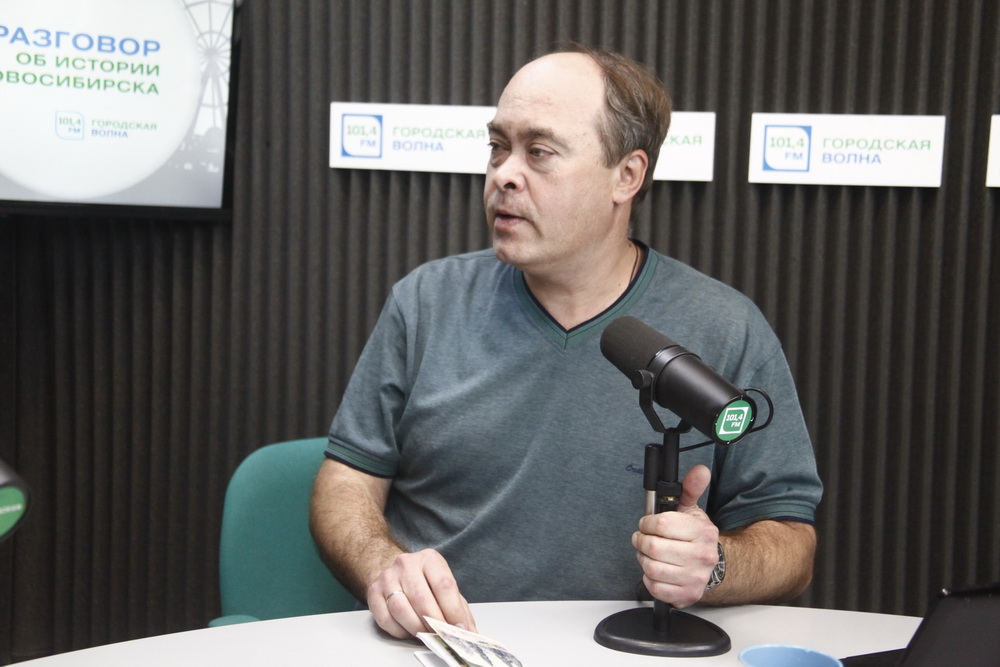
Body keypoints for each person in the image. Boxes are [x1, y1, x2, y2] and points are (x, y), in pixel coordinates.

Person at [310, 44, 822, 640]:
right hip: (446, 646)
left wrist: (716, 566)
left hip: (627, 650)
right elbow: (345, 483)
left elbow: (792, 543)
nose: (503, 174)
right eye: (498, 146)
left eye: (539, 152)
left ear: (626, 176)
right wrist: (384, 567)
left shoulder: (725, 327)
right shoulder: (425, 302)